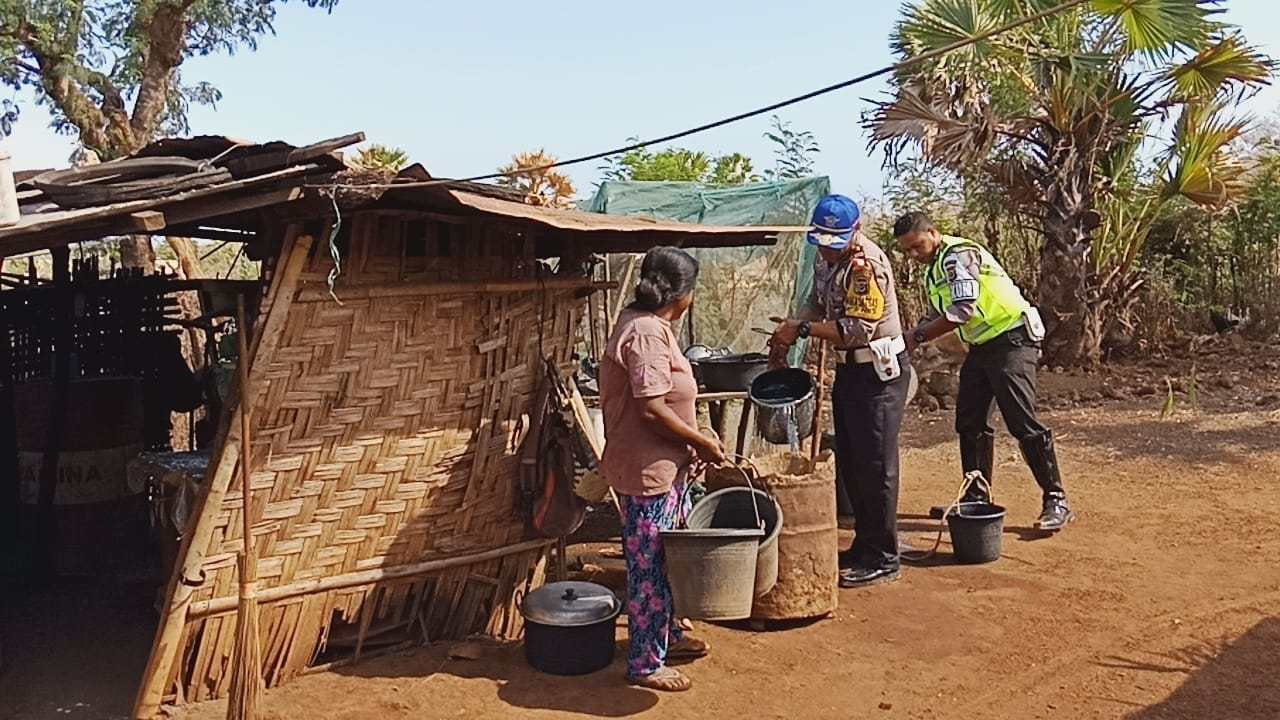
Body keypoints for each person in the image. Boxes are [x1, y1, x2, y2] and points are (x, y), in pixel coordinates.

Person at [894, 211, 1075, 531]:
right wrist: (908, 336)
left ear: (933, 233)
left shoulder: (957, 256)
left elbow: (962, 310)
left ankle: (1056, 498)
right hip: (983, 346)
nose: (912, 255)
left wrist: (917, 337)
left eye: (916, 246)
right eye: (906, 250)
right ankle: (976, 497)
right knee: (970, 420)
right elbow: (940, 312)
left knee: (1021, 420)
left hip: (1012, 340)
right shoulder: (935, 268)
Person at [598, 246, 725, 692]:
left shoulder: (651, 325)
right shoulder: (647, 333)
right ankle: (646, 662)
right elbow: (651, 408)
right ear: (684, 293)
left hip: (664, 468)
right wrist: (701, 441)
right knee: (648, 567)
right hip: (647, 469)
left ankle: (666, 635)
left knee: (663, 558)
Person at [770, 194, 910, 589]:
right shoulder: (825, 257)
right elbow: (817, 303)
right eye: (822, 242)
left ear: (857, 231)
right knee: (852, 459)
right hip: (850, 370)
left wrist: (800, 330)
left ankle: (884, 556)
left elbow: (856, 329)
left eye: (835, 242)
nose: (827, 251)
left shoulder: (867, 267)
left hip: (878, 372)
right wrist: (792, 325)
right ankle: (865, 546)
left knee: (877, 465)